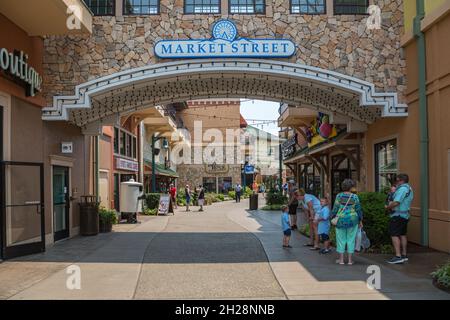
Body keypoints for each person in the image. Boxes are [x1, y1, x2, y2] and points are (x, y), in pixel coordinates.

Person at [331, 179, 363, 265]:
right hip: (353, 220)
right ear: (351, 187)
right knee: (351, 239)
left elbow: (335, 208)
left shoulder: (339, 196)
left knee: (340, 240)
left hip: (340, 220)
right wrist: (360, 220)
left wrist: (332, 217)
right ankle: (350, 260)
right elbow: (358, 209)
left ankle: (341, 260)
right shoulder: (355, 197)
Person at [385, 174, 414, 264]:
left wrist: (388, 207)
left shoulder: (402, 189)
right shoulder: (409, 188)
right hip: (405, 215)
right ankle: (404, 255)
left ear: (401, 180)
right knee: (402, 234)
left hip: (398, 215)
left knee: (394, 234)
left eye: (397, 180)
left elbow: (396, 202)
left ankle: (398, 256)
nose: (396, 182)